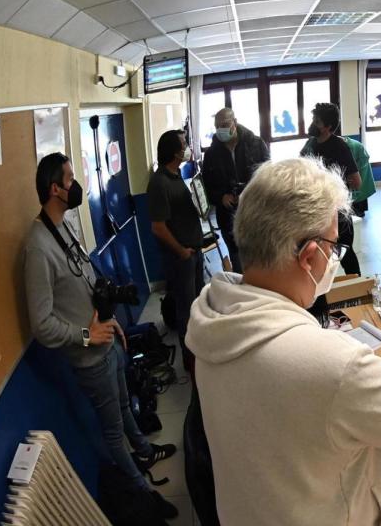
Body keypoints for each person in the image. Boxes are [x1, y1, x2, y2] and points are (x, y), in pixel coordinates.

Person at [187, 158, 381, 525]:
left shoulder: (213, 317)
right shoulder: (333, 363)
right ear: (309, 256)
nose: (334, 260)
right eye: (333, 247)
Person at [26, 154, 178, 518]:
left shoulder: (61, 226)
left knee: (126, 407)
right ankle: (142, 493)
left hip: (108, 342)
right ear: (54, 189)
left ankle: (143, 449)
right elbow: (41, 323)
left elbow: (87, 283)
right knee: (112, 431)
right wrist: (86, 335)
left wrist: (112, 322)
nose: (75, 185)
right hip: (89, 358)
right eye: (69, 179)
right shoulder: (37, 247)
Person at [148, 130, 204, 372]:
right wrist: (181, 251)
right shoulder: (159, 182)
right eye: (184, 144)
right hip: (181, 258)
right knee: (186, 310)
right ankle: (189, 361)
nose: (187, 147)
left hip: (194, 251)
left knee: (198, 304)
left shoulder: (176, 175)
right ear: (174, 151)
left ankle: (201, 351)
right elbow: (158, 227)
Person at [202, 107, 270, 273]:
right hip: (227, 216)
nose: (221, 129)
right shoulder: (212, 154)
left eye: (225, 124)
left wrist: (248, 193)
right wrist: (220, 197)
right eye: (217, 126)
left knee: (260, 259)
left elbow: (269, 177)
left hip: (256, 213)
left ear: (235, 123)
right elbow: (207, 186)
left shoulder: (256, 144)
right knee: (237, 261)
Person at [302, 102, 363, 275]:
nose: (313, 123)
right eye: (313, 119)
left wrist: (336, 187)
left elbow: (356, 181)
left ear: (328, 127)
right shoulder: (310, 145)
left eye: (317, 121)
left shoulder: (339, 147)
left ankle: (357, 286)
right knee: (316, 254)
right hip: (315, 209)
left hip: (337, 211)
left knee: (344, 251)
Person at [345, 135, 375, 218]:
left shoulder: (354, 146)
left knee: (359, 188)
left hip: (361, 167)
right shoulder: (349, 144)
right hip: (358, 165)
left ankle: (358, 211)